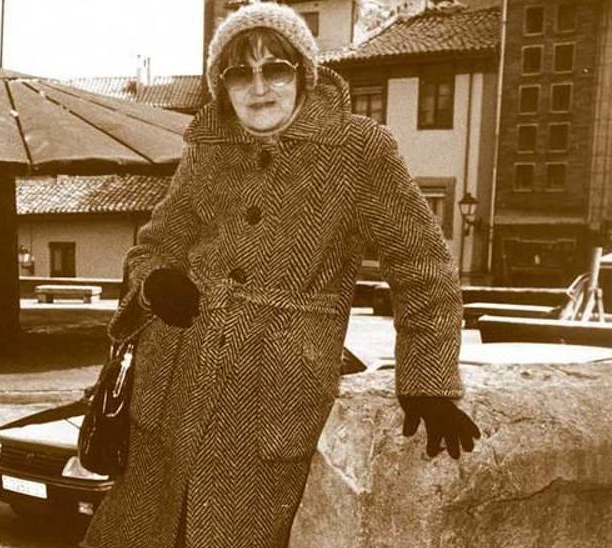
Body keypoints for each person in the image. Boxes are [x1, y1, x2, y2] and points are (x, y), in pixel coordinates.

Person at [83, 4, 481, 547]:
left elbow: (422, 265)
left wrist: (428, 381)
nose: (259, 87)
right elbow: (153, 245)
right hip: (173, 384)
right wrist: (155, 283)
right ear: (222, 86)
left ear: (304, 73)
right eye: (239, 72)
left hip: (272, 397)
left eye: (276, 68)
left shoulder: (358, 149)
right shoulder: (207, 149)